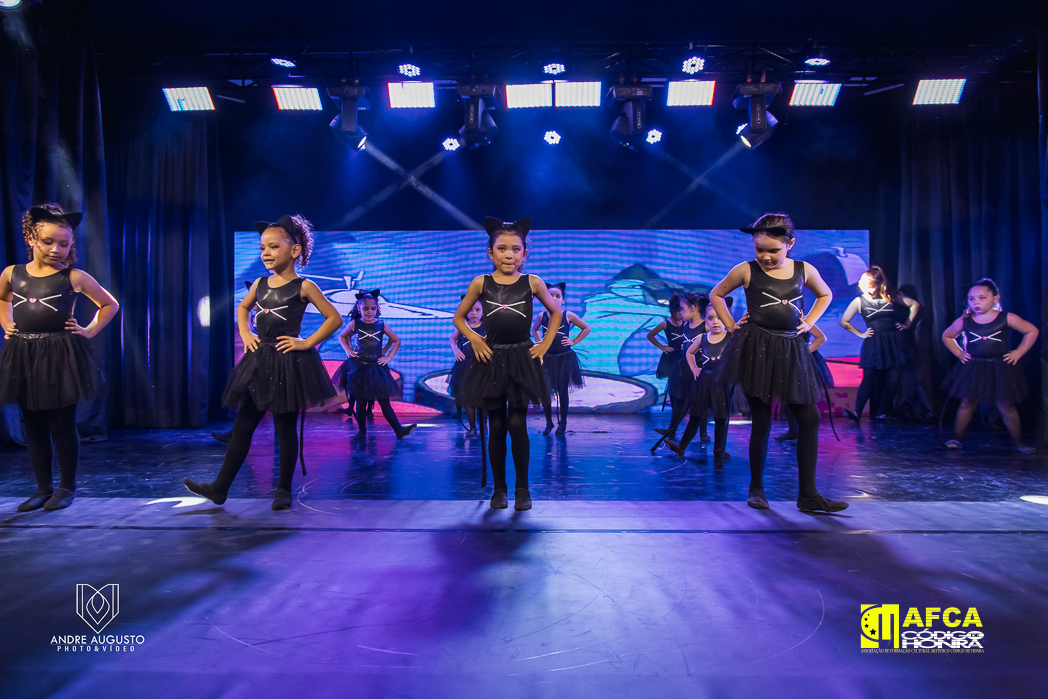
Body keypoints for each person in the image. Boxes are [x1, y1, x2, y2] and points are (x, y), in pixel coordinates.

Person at [184, 215, 342, 510]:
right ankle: (220, 487)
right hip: (259, 362)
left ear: (295, 250)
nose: (266, 253)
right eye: (262, 248)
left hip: (287, 363)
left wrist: (306, 342)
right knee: (243, 426)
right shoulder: (259, 284)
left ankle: (283, 490)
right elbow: (243, 308)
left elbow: (334, 318)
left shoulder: (304, 286)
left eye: (273, 246)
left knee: (285, 428)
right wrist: (246, 333)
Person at [710, 213, 847, 513]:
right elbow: (717, 294)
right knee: (761, 420)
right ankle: (756, 489)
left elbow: (825, 294)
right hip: (757, 349)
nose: (765, 256)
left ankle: (808, 495)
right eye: (759, 249)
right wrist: (731, 325)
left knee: (809, 418)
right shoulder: (745, 270)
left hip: (791, 349)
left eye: (773, 250)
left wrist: (809, 322)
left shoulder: (803, 269)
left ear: (790, 244)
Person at [0, 205, 120, 512]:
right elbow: (3, 299)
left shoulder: (73, 276)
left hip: (59, 355)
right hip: (24, 354)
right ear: (31, 239)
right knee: (33, 423)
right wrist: (6, 323)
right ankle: (43, 488)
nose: (56, 249)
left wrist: (89, 331)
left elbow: (109, 304)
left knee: (62, 422)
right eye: (48, 242)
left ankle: (67, 487)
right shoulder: (12, 273)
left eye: (64, 244)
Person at [453, 217, 562, 511]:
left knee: (517, 422)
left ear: (525, 254)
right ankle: (499, 489)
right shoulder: (481, 283)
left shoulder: (532, 282)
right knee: (497, 424)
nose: (509, 254)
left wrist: (545, 343)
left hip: (521, 360)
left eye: (516, 249)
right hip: (491, 360)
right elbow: (459, 318)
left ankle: (522, 489)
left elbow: (556, 313)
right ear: (491, 252)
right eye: (502, 248)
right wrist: (475, 339)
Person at [941, 279, 1038, 453]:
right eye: (971, 299)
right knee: (967, 403)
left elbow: (1031, 331)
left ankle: (1019, 443)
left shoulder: (1006, 317)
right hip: (975, 367)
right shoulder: (965, 320)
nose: (976, 302)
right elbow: (947, 336)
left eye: (982, 298)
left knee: (1006, 405)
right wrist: (959, 353)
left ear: (995, 299)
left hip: (1001, 367)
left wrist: (1018, 352)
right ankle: (956, 439)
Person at [332, 289, 417, 441]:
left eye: (373, 308)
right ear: (359, 308)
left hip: (377, 369)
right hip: (359, 368)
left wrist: (388, 355)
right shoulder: (355, 324)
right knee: (361, 402)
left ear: (377, 308)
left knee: (384, 401)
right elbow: (342, 336)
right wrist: (348, 349)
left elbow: (396, 340)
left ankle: (399, 430)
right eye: (365, 308)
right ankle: (362, 432)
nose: (370, 312)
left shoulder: (381, 325)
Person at [839, 267, 919, 422]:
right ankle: (857, 412)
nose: (864, 287)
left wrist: (907, 324)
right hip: (874, 342)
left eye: (868, 285)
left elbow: (914, 304)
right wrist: (861, 334)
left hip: (894, 341)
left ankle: (882, 412)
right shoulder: (859, 301)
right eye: (862, 284)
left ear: (877, 285)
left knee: (894, 379)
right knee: (868, 377)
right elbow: (844, 321)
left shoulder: (890, 297)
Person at [664, 301, 732, 466]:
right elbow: (689, 352)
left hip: (721, 383)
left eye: (720, 318)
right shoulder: (703, 338)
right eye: (711, 318)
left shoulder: (731, 338)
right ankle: (681, 446)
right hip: (704, 382)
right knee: (695, 415)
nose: (715, 322)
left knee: (721, 417)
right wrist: (694, 368)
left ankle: (719, 449)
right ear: (706, 321)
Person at [532, 282, 591, 435]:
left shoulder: (568, 315)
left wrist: (574, 341)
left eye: (557, 296)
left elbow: (586, 328)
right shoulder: (542, 316)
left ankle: (563, 424)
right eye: (550, 295)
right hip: (547, 359)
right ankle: (549, 423)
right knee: (546, 392)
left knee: (562, 392)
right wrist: (540, 342)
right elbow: (535, 329)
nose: (554, 298)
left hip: (564, 359)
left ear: (563, 300)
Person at [652, 292, 707, 448]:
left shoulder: (705, 326)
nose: (681, 312)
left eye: (683, 309)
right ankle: (671, 431)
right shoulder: (686, 326)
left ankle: (703, 433)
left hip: (697, 368)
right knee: (678, 399)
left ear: (693, 308)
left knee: (699, 402)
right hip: (682, 367)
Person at [776, 325, 834, 442]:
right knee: (788, 397)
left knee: (802, 398)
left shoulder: (803, 319)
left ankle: (803, 435)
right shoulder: (779, 320)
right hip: (787, 360)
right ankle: (793, 431)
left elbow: (821, 338)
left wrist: (803, 352)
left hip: (803, 362)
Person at [449, 297, 485, 436]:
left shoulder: (486, 327)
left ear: (483, 311)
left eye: (477, 310)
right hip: (465, 368)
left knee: (483, 399)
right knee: (468, 400)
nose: (474, 313)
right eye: (470, 310)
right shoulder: (462, 326)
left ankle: (483, 425)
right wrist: (456, 350)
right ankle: (472, 428)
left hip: (483, 368)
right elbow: (452, 339)